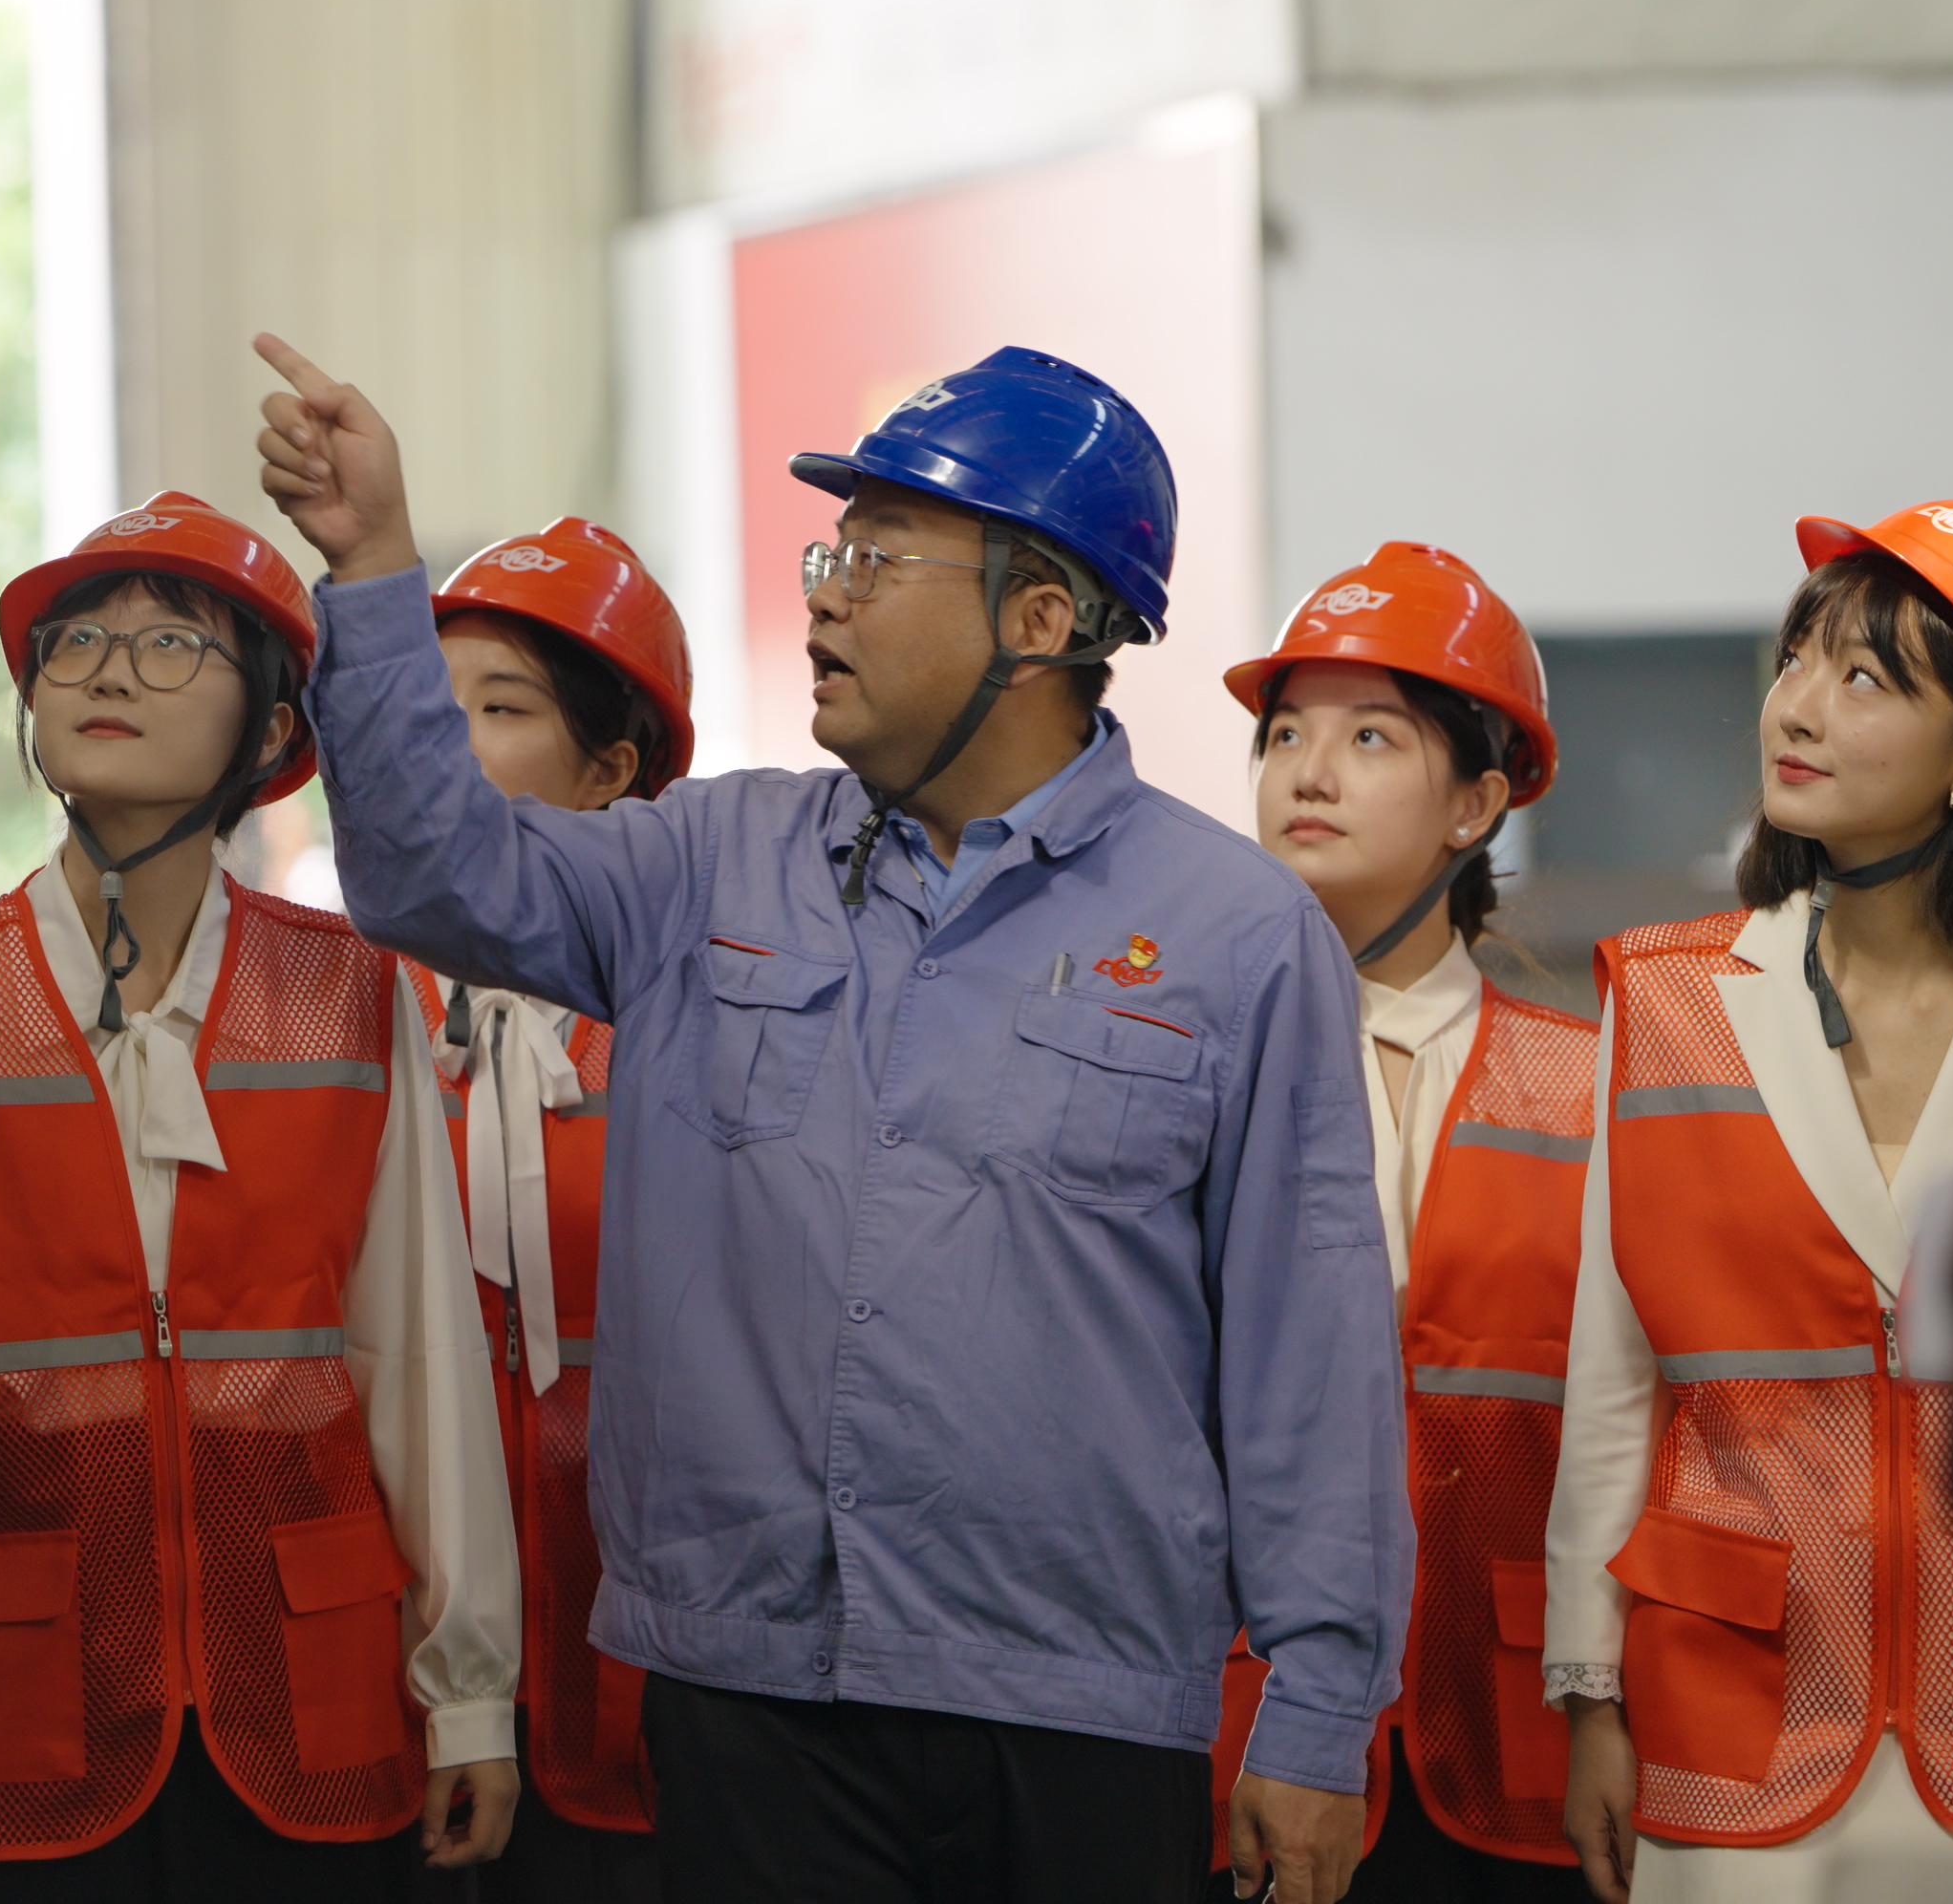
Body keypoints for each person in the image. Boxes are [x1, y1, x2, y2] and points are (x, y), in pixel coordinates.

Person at [258, 333, 1413, 1904]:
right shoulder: (703, 865)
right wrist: (374, 568)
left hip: (1080, 1711)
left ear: (1041, 620)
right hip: (752, 1698)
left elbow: (1310, 1348)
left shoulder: (1237, 934)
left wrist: (1320, 1710)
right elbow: (427, 874)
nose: (825, 597)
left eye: (879, 556)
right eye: (831, 554)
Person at [0, 492, 522, 1904]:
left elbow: (420, 1359)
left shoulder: (352, 994)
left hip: (307, 1696)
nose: (109, 670)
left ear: (270, 731)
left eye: (172, 645)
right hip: (2, 1707)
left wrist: (469, 1691)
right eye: (76, 642)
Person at [1539, 500, 1953, 1904]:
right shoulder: (1663, 1001)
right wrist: (1587, 1690)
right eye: (1797, 659)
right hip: (1731, 1713)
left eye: (1864, 678)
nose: (1796, 708)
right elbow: (1611, 1386)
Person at [1213, 544, 1597, 1903]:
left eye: (1369, 736)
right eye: (1285, 735)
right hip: (1234, 1723)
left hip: (1514, 1734)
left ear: (1477, 805)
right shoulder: (1183, 1064)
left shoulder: (1594, 1090)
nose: (1307, 773)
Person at [407, 516, 696, 1904]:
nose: (447, 742)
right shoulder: (343, 1009)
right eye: (431, 706)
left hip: (646, 1660)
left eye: (501, 708)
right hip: (391, 1665)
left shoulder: (697, 1024)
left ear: (612, 771)